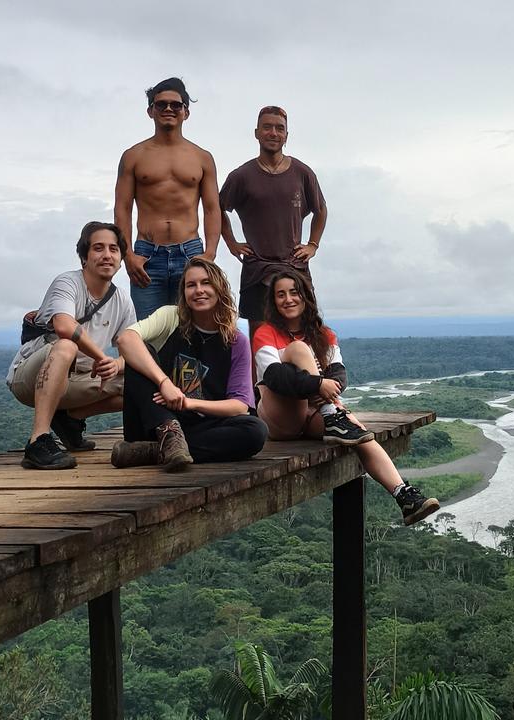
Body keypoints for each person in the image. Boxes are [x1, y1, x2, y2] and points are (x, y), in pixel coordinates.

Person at [252, 270, 440, 525]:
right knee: (298, 349)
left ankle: (404, 496)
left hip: (313, 415)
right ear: (273, 302)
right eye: (280, 295)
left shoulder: (324, 334)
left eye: (294, 292)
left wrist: (325, 388)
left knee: (357, 431)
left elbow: (339, 376)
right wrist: (318, 383)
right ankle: (332, 414)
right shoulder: (266, 333)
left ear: (306, 296)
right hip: (281, 417)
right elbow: (273, 377)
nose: (288, 299)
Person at [112, 257, 267, 471]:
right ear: (183, 292)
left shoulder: (235, 341)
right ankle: (169, 437)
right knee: (140, 351)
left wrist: (189, 403)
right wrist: (164, 382)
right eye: (191, 285)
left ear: (219, 288)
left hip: (198, 425)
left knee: (255, 430)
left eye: (206, 283)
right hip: (153, 421)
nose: (199, 290)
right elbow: (126, 340)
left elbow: (239, 405)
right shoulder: (171, 317)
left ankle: (151, 452)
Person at [7, 222, 136, 470]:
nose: (107, 255)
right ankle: (38, 441)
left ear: (121, 259)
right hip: (30, 378)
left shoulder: (122, 300)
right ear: (84, 257)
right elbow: (64, 326)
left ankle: (69, 418)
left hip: (77, 381)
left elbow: (132, 350)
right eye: (98, 248)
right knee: (66, 346)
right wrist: (101, 357)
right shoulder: (68, 283)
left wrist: (116, 363)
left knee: (143, 381)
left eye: (113, 249)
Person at [115, 77, 221, 321]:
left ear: (186, 112)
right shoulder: (133, 156)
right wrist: (127, 254)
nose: (169, 109)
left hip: (191, 252)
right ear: (150, 110)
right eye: (161, 104)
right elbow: (122, 208)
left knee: (192, 330)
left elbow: (213, 209)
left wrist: (210, 253)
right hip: (147, 256)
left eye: (176, 105)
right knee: (148, 333)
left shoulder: (202, 158)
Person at [219, 105, 327, 341]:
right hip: (257, 268)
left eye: (280, 128)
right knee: (261, 339)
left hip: (295, 266)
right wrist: (231, 244)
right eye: (267, 127)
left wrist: (313, 245)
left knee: (303, 336)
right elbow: (216, 209)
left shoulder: (302, 173)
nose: (273, 133)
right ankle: (261, 380)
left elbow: (320, 210)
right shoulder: (241, 176)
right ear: (256, 132)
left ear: (286, 136)